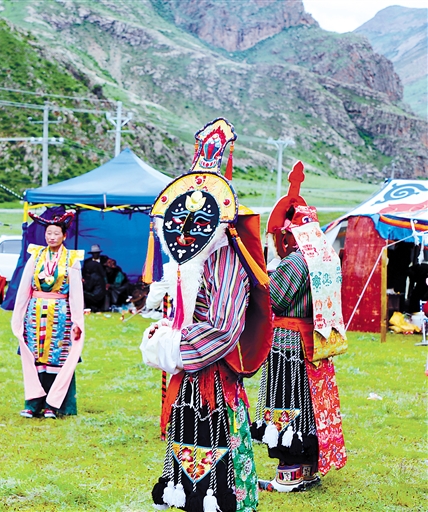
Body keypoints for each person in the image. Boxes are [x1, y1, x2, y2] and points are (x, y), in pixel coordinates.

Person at [143, 119, 271, 512]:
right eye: (181, 220)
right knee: (187, 448)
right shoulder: (192, 260)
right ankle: (187, 496)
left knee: (216, 461)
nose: (185, 231)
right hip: (189, 371)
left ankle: (216, 500)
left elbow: (222, 328)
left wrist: (173, 346)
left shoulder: (227, 259)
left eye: (197, 222)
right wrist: (165, 330)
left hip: (213, 374)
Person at [251, 162, 347, 492]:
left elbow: (275, 300)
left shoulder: (296, 261)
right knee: (310, 406)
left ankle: (288, 475)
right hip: (317, 343)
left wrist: (264, 279)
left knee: (287, 403)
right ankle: (308, 470)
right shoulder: (326, 258)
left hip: (289, 345)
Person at [11, 211, 85, 419]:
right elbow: (24, 288)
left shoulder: (72, 259)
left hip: (61, 315)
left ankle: (53, 404)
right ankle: (32, 404)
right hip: (35, 314)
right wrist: (19, 316)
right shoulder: (36, 256)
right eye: (49, 233)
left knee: (56, 358)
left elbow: (76, 293)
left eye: (56, 233)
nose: (52, 237)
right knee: (35, 358)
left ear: (64, 236)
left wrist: (77, 321)